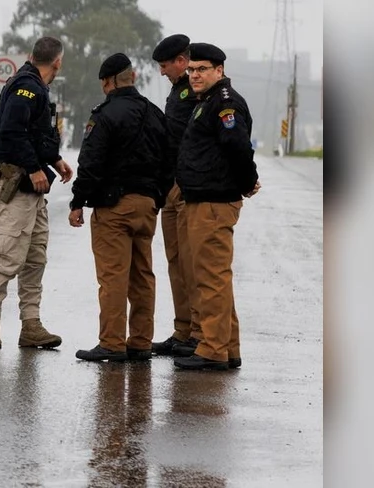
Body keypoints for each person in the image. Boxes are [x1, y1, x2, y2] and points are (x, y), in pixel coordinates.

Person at [68, 53, 171, 362]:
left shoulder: (104, 114)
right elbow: (170, 162)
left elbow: (91, 163)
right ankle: (140, 341)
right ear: (134, 77)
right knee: (143, 275)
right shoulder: (154, 114)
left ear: (107, 82)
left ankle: (112, 342)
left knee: (113, 276)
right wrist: (158, 199)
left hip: (113, 207)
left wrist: (77, 201)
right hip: (147, 206)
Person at [0, 36, 73, 349]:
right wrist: (33, 167)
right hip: (16, 182)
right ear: (58, 62)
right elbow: (11, 132)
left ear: (32, 55)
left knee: (35, 258)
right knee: (8, 257)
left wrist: (54, 160)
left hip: (31, 189)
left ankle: (31, 325)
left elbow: (35, 134)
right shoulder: (26, 86)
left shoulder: (36, 86)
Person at [174, 43, 261, 371]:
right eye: (191, 70)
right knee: (215, 278)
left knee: (211, 278)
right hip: (203, 198)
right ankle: (228, 347)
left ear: (219, 71)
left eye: (202, 69)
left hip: (213, 201)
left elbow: (238, 146)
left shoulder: (224, 104)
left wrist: (247, 181)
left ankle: (212, 348)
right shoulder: (207, 102)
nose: (195, 75)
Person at [148, 34, 203, 358]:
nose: (162, 71)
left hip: (187, 185)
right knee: (176, 262)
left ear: (181, 61)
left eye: (165, 65)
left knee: (192, 264)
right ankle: (183, 329)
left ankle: (198, 333)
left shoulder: (194, 91)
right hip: (171, 186)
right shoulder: (177, 91)